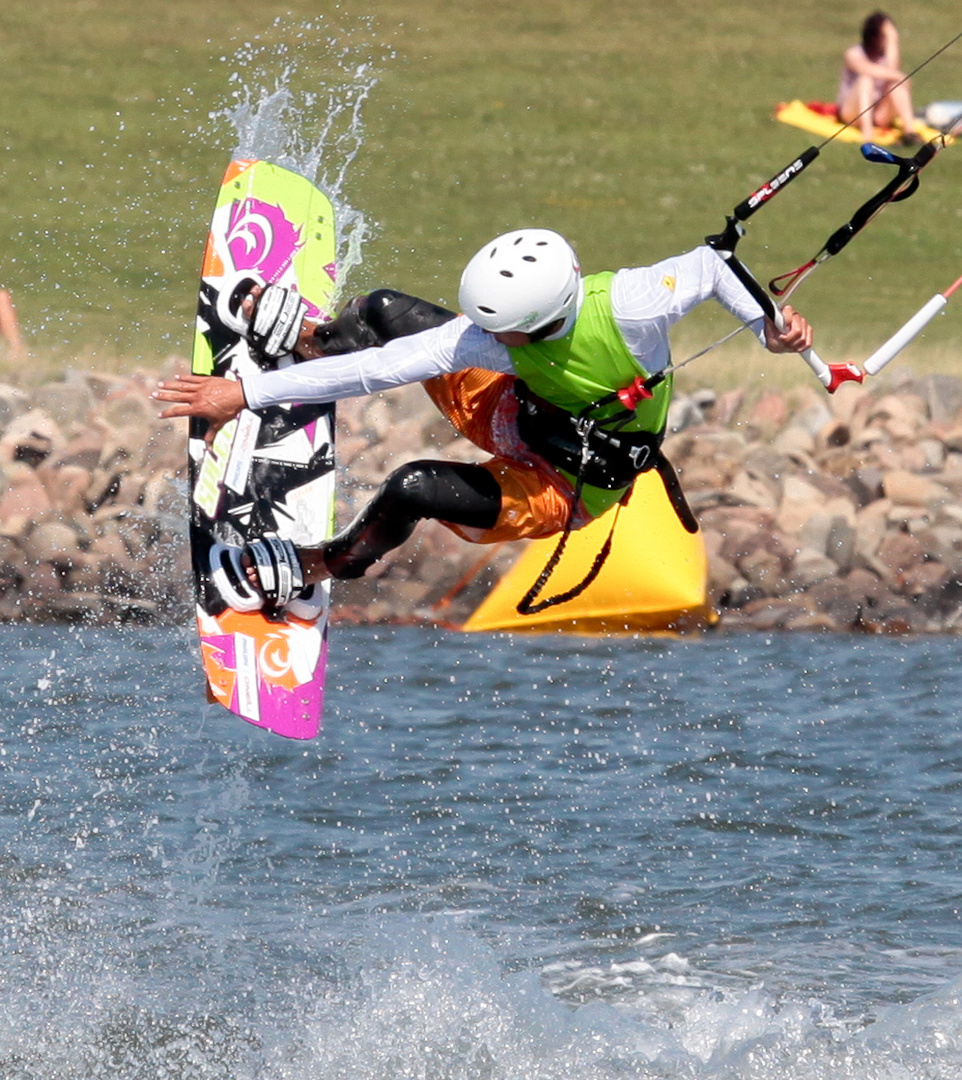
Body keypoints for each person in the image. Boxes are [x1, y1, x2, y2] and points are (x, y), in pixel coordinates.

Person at [154, 229, 813, 611]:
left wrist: (769, 328)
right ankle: (307, 343)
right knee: (382, 309)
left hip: (560, 487)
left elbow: (712, 269)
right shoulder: (492, 341)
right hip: (513, 413)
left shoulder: (629, 311)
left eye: (498, 328)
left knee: (411, 487)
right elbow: (377, 370)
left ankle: (317, 566)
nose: (481, 333)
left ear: (538, 319)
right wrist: (245, 395)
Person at [837, 11, 922, 146]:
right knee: (866, 80)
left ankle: (909, 131)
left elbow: (892, 71)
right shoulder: (853, 54)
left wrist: (892, 40)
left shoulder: (885, 56)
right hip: (853, 113)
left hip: (878, 113)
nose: (887, 40)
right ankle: (867, 132)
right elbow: (867, 69)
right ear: (873, 36)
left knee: (896, 84)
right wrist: (899, 76)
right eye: (884, 36)